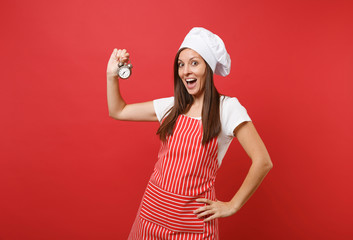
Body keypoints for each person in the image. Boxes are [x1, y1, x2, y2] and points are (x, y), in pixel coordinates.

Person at [106, 27, 273, 240]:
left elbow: (263, 161)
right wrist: (111, 75)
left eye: (194, 63)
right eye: (181, 64)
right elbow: (118, 111)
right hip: (151, 214)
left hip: (192, 224)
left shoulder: (228, 109)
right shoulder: (173, 106)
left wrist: (232, 205)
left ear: (209, 67)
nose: (186, 71)